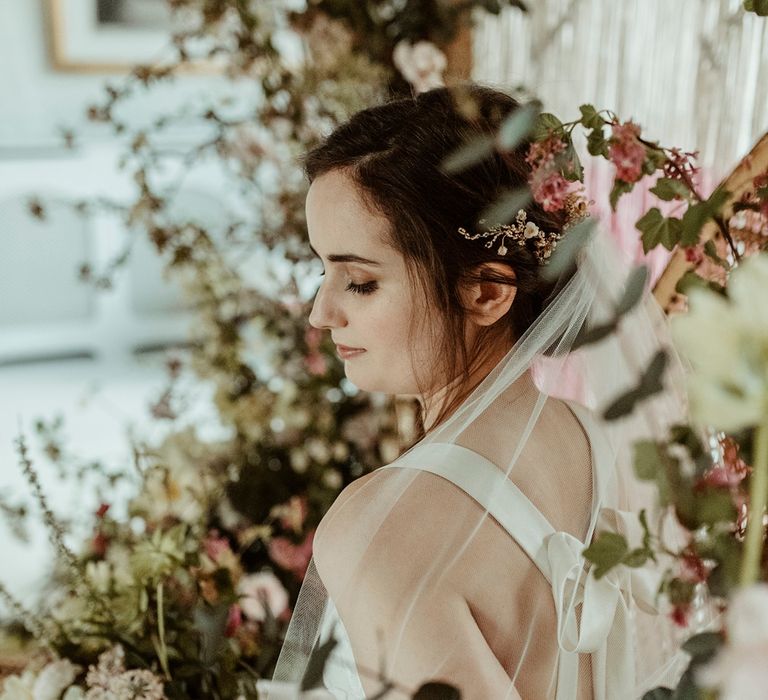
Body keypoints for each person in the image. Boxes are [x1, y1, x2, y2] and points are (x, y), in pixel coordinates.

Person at [263, 83, 697, 699]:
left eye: (359, 281)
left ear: (488, 293)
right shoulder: (603, 440)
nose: (320, 312)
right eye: (322, 270)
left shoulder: (381, 529)